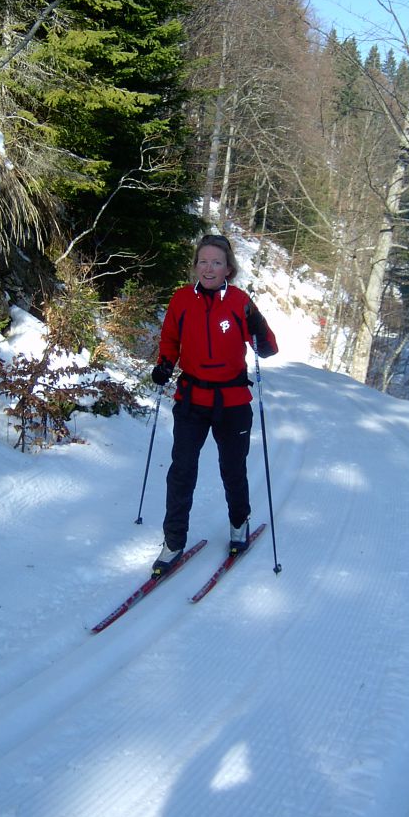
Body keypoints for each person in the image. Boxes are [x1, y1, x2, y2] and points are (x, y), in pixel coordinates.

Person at [150, 233, 278, 578]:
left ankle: (239, 524)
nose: (208, 269)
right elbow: (170, 342)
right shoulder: (180, 300)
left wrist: (257, 326)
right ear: (195, 266)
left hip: (233, 401)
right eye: (203, 262)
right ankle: (173, 541)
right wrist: (164, 364)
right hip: (192, 399)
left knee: (232, 469)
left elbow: (268, 349)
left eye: (216, 263)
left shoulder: (240, 302)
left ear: (228, 269)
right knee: (181, 471)